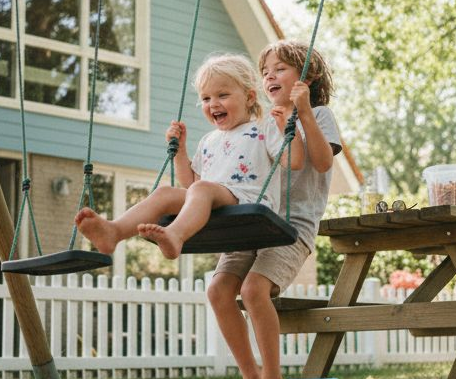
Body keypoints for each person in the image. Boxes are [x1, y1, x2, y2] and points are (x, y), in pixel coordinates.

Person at [207, 40, 341, 379]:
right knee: (218, 290)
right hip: (254, 220)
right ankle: (250, 376)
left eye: (280, 68)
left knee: (252, 290)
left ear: (307, 77)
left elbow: (320, 160)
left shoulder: (319, 114)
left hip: (293, 226)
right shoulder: (264, 123)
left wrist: (301, 114)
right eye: (266, 71)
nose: (270, 76)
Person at [75, 53, 302, 261]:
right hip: (212, 200)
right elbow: (191, 183)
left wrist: (288, 132)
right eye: (205, 98)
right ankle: (114, 232)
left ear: (250, 97)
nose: (213, 104)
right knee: (166, 192)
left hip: (249, 201)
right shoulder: (209, 140)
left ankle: (175, 234)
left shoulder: (265, 127)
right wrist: (180, 151)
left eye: (222, 95)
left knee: (203, 189)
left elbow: (294, 162)